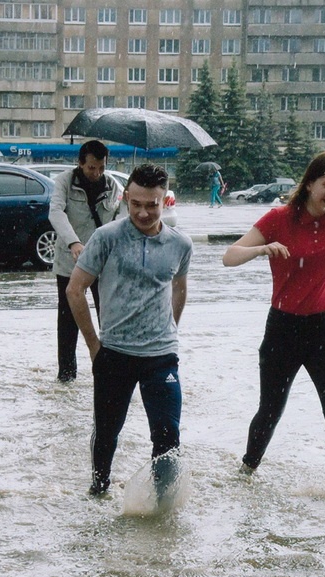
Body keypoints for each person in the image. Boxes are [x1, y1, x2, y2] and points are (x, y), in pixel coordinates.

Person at [222, 151, 325, 498]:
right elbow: (229, 257)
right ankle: (247, 468)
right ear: (310, 183)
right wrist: (263, 249)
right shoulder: (279, 218)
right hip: (283, 330)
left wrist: (322, 268)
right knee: (271, 409)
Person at [66, 164, 192, 496]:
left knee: (168, 436)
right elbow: (75, 290)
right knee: (107, 432)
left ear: (164, 200)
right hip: (114, 353)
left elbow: (180, 288)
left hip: (161, 356)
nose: (143, 212)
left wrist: (170, 329)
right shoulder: (106, 237)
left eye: (151, 204)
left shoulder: (180, 244)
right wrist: (94, 345)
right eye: (135, 203)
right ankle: (99, 490)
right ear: (126, 198)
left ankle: (163, 506)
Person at [48, 140, 124, 382]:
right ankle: (67, 376)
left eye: (101, 167)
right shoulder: (64, 182)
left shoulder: (113, 185)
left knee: (109, 316)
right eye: (91, 167)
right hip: (70, 262)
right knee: (68, 319)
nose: (97, 173)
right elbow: (56, 213)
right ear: (80, 163)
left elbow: (121, 218)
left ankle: (110, 369)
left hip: (103, 265)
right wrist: (73, 242)